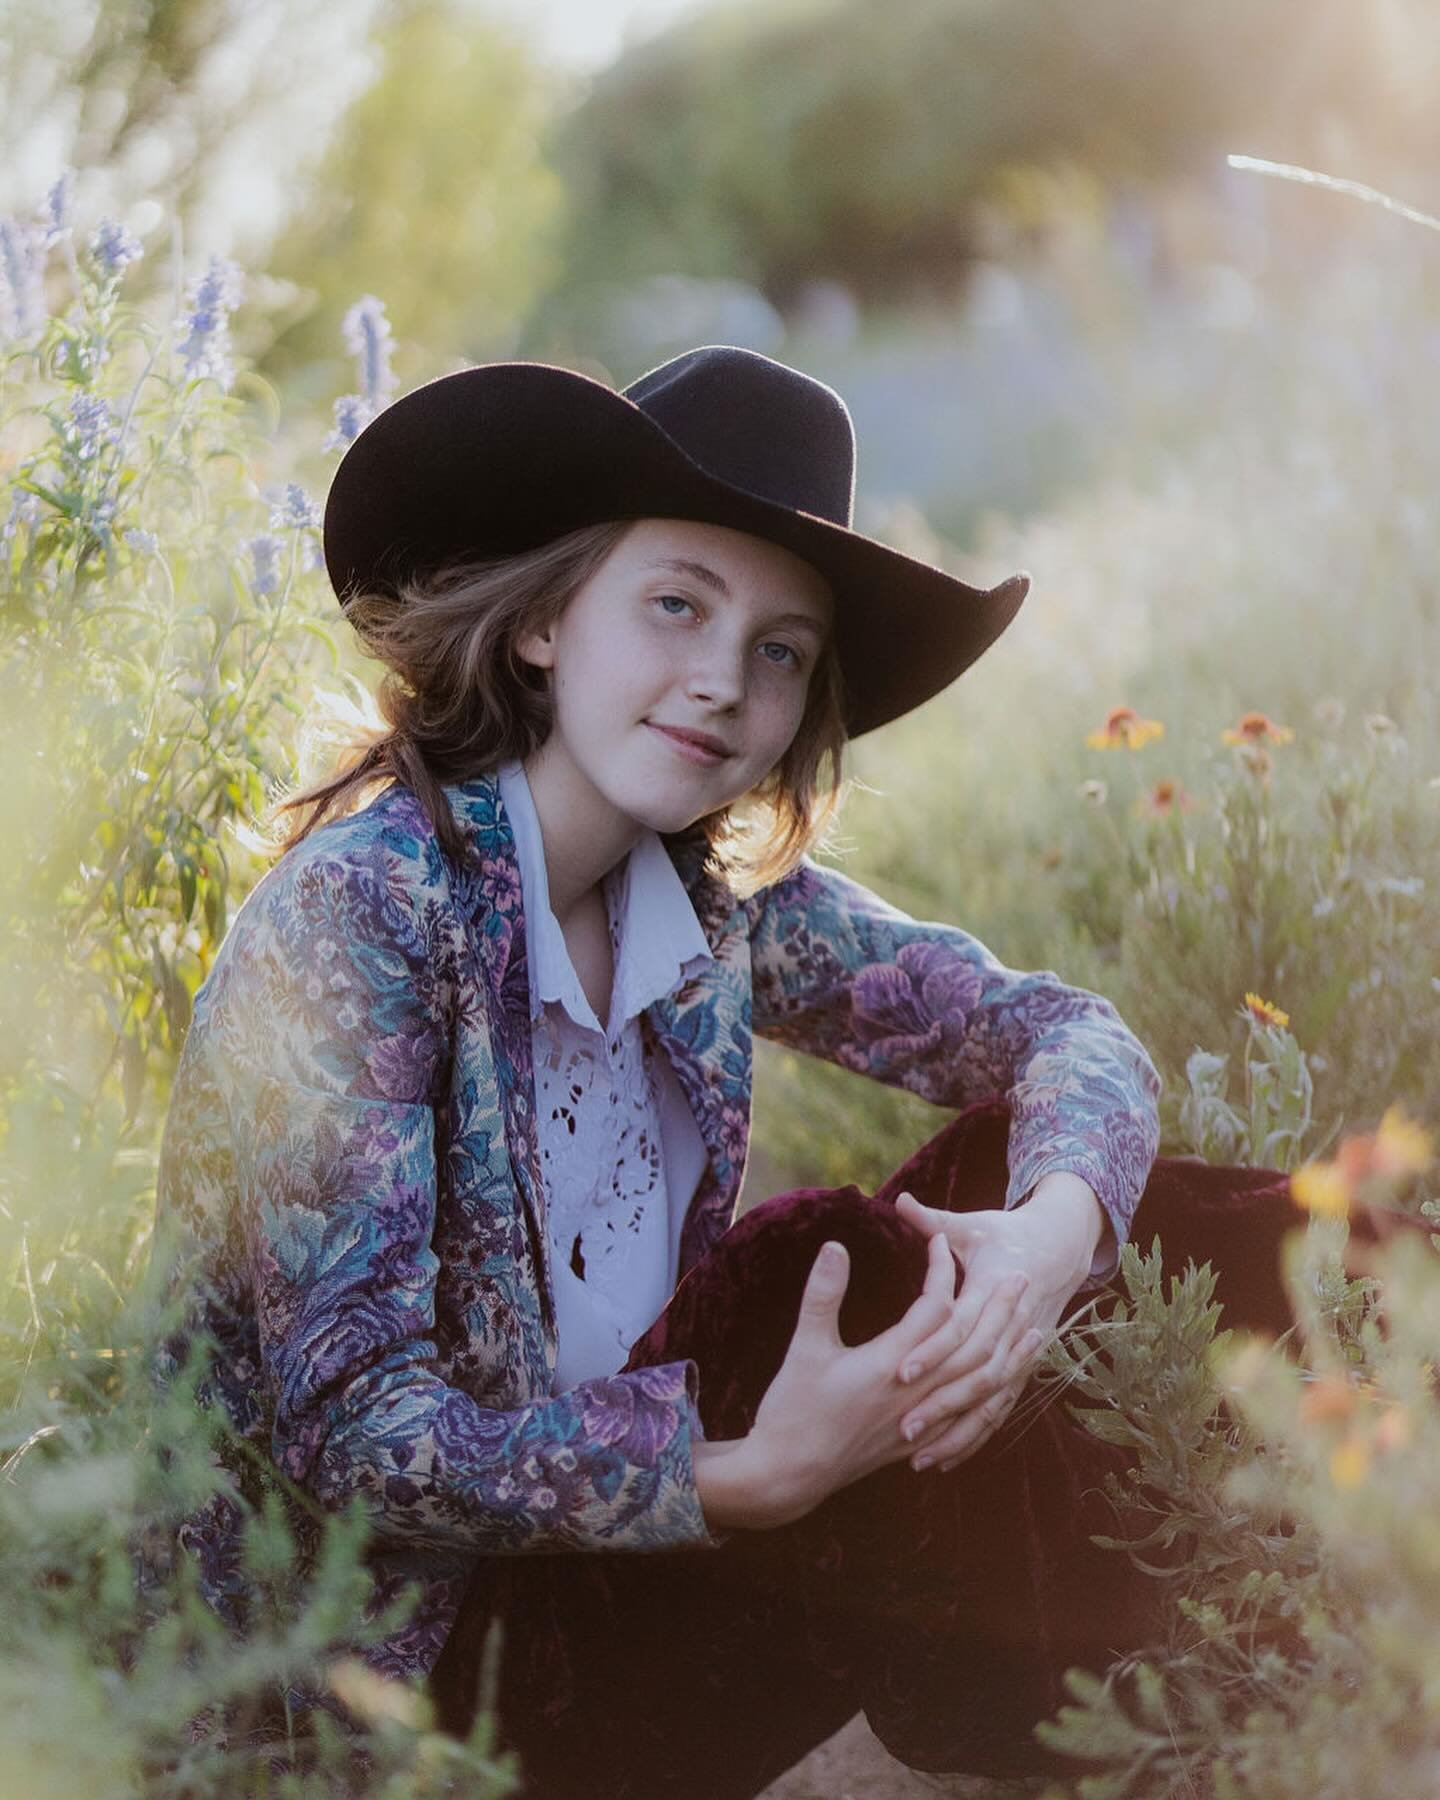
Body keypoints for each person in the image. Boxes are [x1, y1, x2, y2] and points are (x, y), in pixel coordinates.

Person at [144, 345, 1399, 1797]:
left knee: (1084, 1214)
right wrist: (731, 1476)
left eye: (782, 650)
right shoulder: (368, 912)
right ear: (548, 618)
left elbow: (1068, 1035)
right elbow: (351, 1430)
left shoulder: (713, 911)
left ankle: (1326, 1611)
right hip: (401, 1694)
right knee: (835, 1262)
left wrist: (1051, 1245)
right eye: (677, 604)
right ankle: (1184, 1721)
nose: (724, 684)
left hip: (630, 1588)